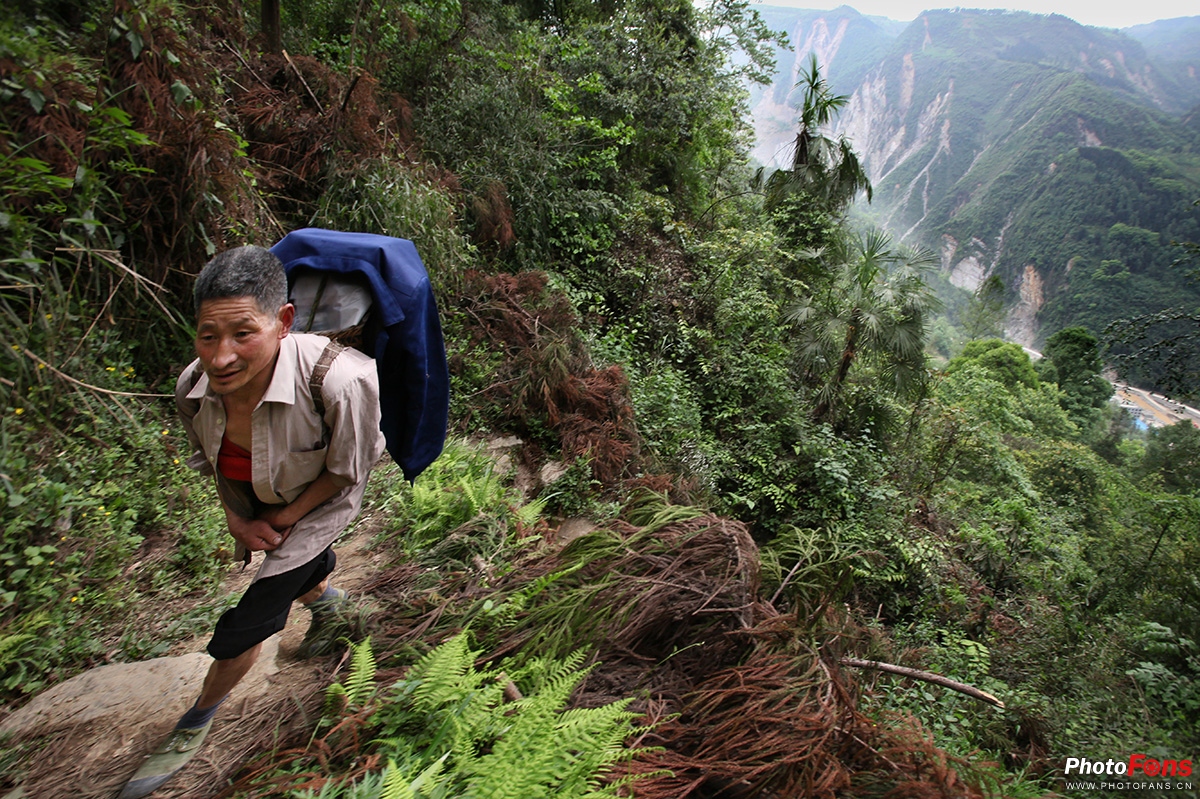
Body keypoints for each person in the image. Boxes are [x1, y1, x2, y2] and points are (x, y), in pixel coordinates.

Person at [119, 245, 385, 799]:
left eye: (243, 334)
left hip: (320, 499)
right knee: (296, 567)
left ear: (283, 321)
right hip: (258, 496)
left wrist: (285, 518)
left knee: (253, 616)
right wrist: (238, 522)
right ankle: (328, 603)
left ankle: (195, 721)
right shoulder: (194, 389)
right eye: (208, 336)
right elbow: (212, 463)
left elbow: (345, 471)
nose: (221, 357)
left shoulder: (342, 381)